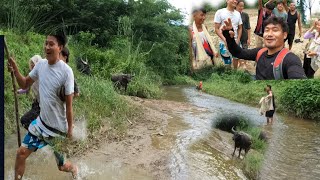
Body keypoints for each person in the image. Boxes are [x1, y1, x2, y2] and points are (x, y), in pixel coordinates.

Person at [8, 33, 78, 179]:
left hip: (58, 129)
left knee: (61, 166)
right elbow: (24, 84)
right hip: (41, 124)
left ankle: (74, 169)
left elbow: (69, 106)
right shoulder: (40, 65)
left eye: (51, 44)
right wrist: (15, 69)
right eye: (46, 43)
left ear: (60, 47)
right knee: (21, 153)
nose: (47, 47)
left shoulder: (66, 72)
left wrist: (70, 130)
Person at [222, 16, 307, 80]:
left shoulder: (290, 59)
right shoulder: (260, 52)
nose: (269, 34)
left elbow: (299, 82)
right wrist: (229, 37)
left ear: (284, 35)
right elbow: (238, 53)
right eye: (266, 30)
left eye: (275, 30)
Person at [214, 0, 242, 69]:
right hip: (224, 42)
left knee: (236, 58)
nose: (235, 1)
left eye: (236, 0)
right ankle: (229, 74)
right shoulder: (220, 12)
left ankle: (235, 72)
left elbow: (240, 28)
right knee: (227, 63)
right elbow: (216, 29)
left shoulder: (238, 13)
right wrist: (225, 40)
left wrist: (238, 39)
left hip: (235, 41)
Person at [19, 55, 42, 130]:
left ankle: (37, 135)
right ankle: (36, 134)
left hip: (42, 105)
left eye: (34, 63)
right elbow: (26, 87)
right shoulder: (32, 76)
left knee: (25, 120)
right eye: (31, 63)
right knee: (27, 121)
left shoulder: (42, 75)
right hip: (36, 103)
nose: (32, 64)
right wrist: (18, 91)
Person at [236, 0, 251, 69]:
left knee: (245, 51)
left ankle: (244, 64)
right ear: (236, 5)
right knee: (237, 51)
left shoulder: (245, 15)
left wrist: (249, 38)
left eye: (242, 6)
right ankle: (239, 63)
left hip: (244, 36)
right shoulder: (233, 14)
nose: (241, 7)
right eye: (240, 6)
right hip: (236, 37)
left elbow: (248, 27)